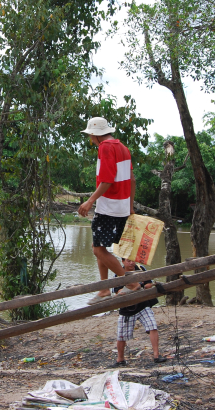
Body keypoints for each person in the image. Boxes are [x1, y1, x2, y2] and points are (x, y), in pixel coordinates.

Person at [77, 117, 138, 305]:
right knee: (101, 246)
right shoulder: (123, 148)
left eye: (90, 136)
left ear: (94, 135)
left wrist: (89, 201)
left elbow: (107, 179)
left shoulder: (105, 147)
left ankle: (131, 283)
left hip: (108, 207)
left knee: (97, 250)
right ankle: (104, 289)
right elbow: (132, 180)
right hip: (121, 207)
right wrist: (130, 206)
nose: (90, 139)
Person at [113, 258, 166, 367]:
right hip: (127, 309)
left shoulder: (141, 269)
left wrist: (139, 286)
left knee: (152, 326)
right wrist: (135, 288)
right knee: (121, 336)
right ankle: (120, 359)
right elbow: (118, 291)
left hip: (143, 305)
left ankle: (156, 355)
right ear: (122, 261)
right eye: (128, 261)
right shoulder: (118, 274)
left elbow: (148, 284)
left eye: (133, 260)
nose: (131, 263)